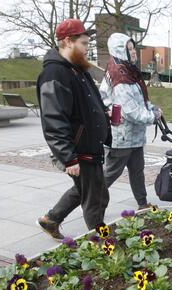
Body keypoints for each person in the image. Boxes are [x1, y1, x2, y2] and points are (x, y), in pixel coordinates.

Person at [36, 18, 111, 239]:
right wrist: (68, 158)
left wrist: (103, 114)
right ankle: (101, 244)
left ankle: (51, 219)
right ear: (68, 41)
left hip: (89, 145)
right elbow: (53, 120)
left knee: (86, 190)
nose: (88, 49)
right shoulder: (55, 74)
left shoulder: (78, 70)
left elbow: (89, 103)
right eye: (85, 43)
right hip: (80, 150)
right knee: (96, 199)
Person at [99, 33, 162, 210]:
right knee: (110, 174)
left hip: (134, 136)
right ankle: (91, 201)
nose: (134, 52)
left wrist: (151, 108)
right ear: (120, 50)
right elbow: (132, 111)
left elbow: (139, 100)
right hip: (123, 136)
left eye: (134, 48)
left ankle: (142, 204)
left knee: (137, 171)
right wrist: (153, 116)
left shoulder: (128, 72)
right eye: (130, 49)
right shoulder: (120, 76)